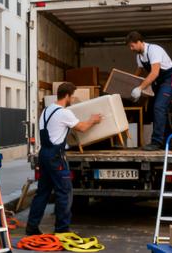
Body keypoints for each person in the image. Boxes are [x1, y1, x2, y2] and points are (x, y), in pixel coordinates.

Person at [26, 82, 102, 236]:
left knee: (42, 193)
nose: (73, 100)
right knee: (64, 192)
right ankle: (62, 230)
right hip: (56, 157)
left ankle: (32, 227)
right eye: (72, 96)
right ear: (67, 96)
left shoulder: (46, 111)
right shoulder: (64, 113)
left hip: (44, 155)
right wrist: (93, 120)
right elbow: (81, 127)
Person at [126, 31, 172, 151]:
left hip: (168, 78)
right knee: (160, 110)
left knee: (158, 107)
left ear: (139, 42)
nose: (131, 48)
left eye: (132, 45)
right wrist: (131, 85)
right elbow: (139, 71)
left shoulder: (154, 50)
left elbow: (155, 72)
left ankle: (156, 142)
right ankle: (168, 142)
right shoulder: (139, 56)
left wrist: (140, 88)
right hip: (157, 81)